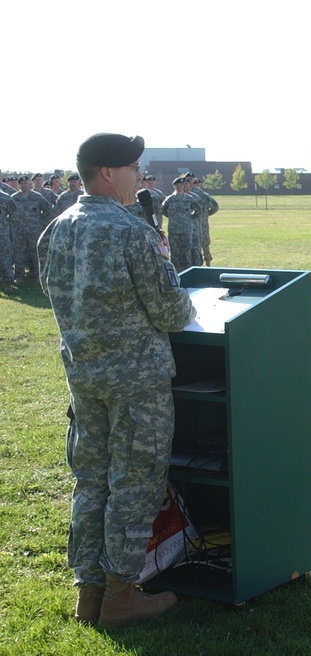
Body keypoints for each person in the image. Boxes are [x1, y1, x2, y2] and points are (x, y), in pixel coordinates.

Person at [36, 133, 195, 625]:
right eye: (133, 168)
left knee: (91, 482)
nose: (139, 177)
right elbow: (171, 310)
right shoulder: (131, 231)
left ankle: (89, 592)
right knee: (134, 483)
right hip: (136, 384)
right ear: (108, 173)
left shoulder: (58, 228)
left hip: (84, 380)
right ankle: (122, 594)